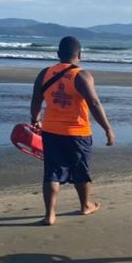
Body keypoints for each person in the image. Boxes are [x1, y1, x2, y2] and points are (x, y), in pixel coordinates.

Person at [30, 36, 115, 226]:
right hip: (78, 133)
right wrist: (108, 128)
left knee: (52, 172)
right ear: (80, 54)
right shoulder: (82, 75)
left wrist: (35, 120)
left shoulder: (44, 73)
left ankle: (50, 215)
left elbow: (36, 100)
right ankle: (85, 205)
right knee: (80, 170)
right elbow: (94, 104)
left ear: (58, 54)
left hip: (51, 130)